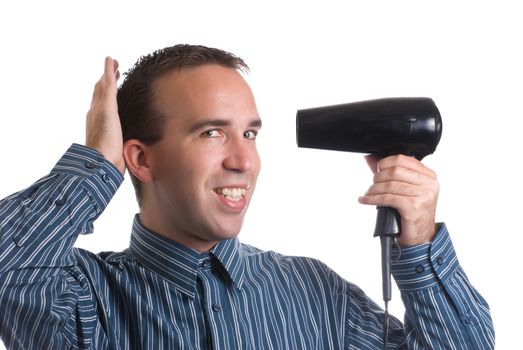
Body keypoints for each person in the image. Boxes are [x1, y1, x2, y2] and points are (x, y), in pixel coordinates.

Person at [0, 44, 494, 349]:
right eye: (212, 133)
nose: (244, 160)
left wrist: (421, 244)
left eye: (251, 134)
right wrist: (95, 165)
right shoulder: (83, 298)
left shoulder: (314, 296)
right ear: (142, 159)